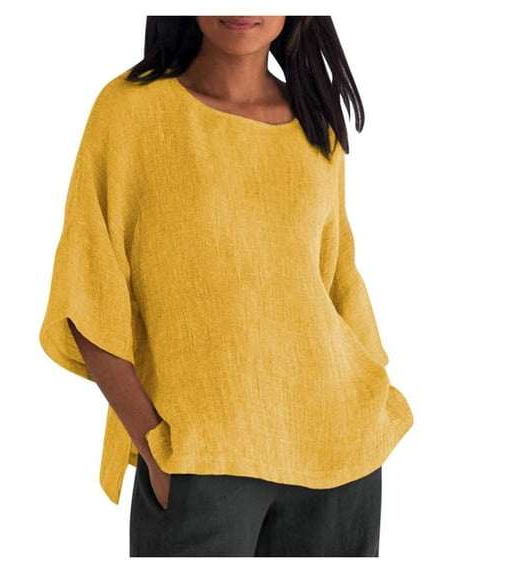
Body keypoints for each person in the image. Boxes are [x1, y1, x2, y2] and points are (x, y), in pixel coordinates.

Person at [39, 15, 413, 557]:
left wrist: (371, 396)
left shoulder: (318, 123)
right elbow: (87, 293)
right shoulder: (130, 112)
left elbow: (336, 278)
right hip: (201, 458)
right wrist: (154, 449)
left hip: (337, 449)